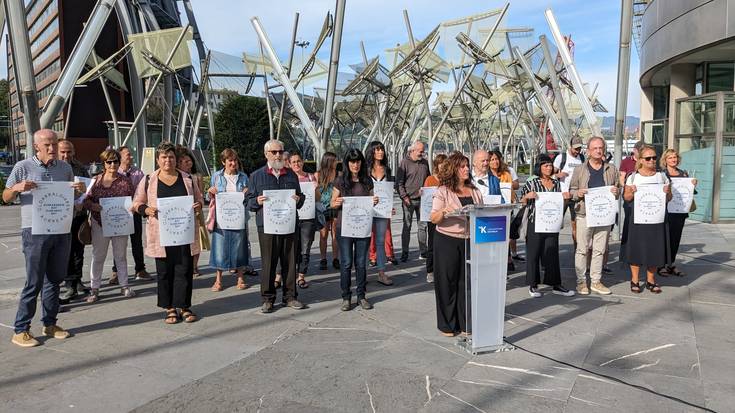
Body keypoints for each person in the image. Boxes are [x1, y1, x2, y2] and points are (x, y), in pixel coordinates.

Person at [3, 129, 86, 347]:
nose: (52, 149)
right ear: (37, 146)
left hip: (60, 229)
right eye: (47, 145)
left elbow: (73, 196)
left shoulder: (65, 168)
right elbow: (5, 195)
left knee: (55, 280)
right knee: (34, 282)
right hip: (34, 231)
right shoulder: (23, 167)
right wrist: (17, 188)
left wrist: (80, 190)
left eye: (54, 144)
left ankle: (50, 323)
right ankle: (20, 329)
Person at [133, 142, 203, 324]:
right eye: (163, 157)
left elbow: (199, 199)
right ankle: (169, 307)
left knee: (185, 269)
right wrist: (146, 210)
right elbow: (136, 202)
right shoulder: (149, 179)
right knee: (164, 271)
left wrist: (198, 206)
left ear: (175, 159)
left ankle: (184, 306)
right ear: (158, 160)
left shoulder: (187, 178)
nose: (167, 160)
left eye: (171, 157)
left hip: (184, 233)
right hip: (161, 235)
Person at [246, 139, 306, 313]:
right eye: (274, 152)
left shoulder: (291, 175)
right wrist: (256, 201)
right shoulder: (256, 176)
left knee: (290, 261)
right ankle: (267, 299)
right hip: (267, 227)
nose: (278, 155)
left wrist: (298, 199)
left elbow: (301, 199)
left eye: (280, 151)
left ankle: (290, 297)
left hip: (289, 225)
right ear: (266, 154)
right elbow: (248, 202)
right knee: (268, 263)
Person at [430, 151, 483, 337]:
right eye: (462, 166)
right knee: (447, 282)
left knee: (466, 282)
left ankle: (465, 323)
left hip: (470, 241)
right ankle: (447, 324)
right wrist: (445, 210)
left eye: (467, 166)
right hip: (447, 240)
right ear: (454, 169)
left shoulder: (475, 191)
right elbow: (434, 218)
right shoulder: (443, 191)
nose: (467, 169)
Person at [569, 136, 620, 295]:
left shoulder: (611, 169)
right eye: (595, 148)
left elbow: (618, 189)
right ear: (589, 151)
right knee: (582, 249)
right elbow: (571, 191)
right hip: (584, 214)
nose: (598, 151)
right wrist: (578, 193)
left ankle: (596, 281)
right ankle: (581, 282)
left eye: (601, 148)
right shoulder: (580, 169)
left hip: (604, 215)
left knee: (599, 249)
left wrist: (616, 191)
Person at [83, 149, 136, 302]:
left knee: (120, 256)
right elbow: (85, 200)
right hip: (99, 223)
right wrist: (93, 206)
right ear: (104, 163)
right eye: (109, 161)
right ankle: (95, 288)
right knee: (98, 256)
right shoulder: (96, 180)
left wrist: (132, 206)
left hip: (120, 223)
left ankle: (124, 285)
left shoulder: (125, 180)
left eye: (115, 161)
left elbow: (133, 198)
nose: (112, 164)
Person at [519, 154, 574, 298]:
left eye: (550, 166)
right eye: (546, 166)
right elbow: (521, 201)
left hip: (551, 222)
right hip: (535, 222)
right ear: (540, 167)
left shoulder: (557, 184)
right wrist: (527, 197)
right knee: (533, 253)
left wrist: (566, 199)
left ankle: (555, 283)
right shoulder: (532, 183)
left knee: (552, 252)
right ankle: (533, 284)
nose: (549, 168)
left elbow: (560, 204)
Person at [331, 148, 379, 311]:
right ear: (347, 163)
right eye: (352, 161)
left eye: (358, 161)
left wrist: (375, 200)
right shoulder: (340, 181)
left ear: (361, 162)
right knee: (345, 263)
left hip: (362, 227)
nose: (355, 164)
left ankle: (361, 295)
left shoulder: (367, 181)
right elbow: (332, 202)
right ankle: (346, 296)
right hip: (344, 228)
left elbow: (373, 199)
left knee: (360, 263)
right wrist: (336, 203)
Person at [621, 145, 672, 293]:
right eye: (648, 158)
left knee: (655, 250)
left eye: (654, 157)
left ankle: (651, 280)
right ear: (641, 160)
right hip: (638, 219)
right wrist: (632, 192)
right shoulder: (633, 177)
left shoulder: (662, 176)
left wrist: (667, 193)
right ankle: (635, 280)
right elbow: (626, 197)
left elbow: (669, 198)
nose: (652, 160)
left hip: (657, 219)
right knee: (636, 249)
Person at [208, 148, 251, 292]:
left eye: (235, 160)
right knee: (219, 247)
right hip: (221, 218)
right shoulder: (216, 176)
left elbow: (249, 197)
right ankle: (218, 280)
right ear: (223, 162)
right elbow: (209, 197)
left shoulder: (244, 177)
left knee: (239, 246)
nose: (233, 163)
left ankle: (240, 278)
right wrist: (210, 192)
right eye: (230, 160)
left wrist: (247, 192)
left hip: (238, 217)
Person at [57, 139, 90, 303]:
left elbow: (88, 189)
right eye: (62, 151)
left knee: (79, 250)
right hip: (60, 217)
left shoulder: (81, 168)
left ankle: (77, 281)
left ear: (74, 152)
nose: (65, 155)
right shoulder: (54, 168)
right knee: (67, 252)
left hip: (79, 215)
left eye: (69, 151)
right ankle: (69, 283)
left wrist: (83, 203)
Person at [113, 146, 150, 283]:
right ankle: (116, 272)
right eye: (128, 154)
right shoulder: (114, 171)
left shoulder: (138, 173)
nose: (131, 157)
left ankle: (140, 269)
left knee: (136, 242)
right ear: (120, 156)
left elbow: (143, 191)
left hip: (134, 212)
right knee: (118, 243)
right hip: (119, 212)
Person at [659, 148, 697, 277]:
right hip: (666, 211)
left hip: (680, 211)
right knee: (665, 238)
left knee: (676, 238)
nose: (673, 160)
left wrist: (692, 185)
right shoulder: (662, 174)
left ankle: (671, 264)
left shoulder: (683, 173)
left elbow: (689, 192)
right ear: (665, 160)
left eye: (675, 157)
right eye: (670, 158)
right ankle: (661, 265)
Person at [177, 146, 209, 278]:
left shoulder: (196, 176)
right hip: (181, 213)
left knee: (197, 240)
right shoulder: (176, 177)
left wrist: (199, 203)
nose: (188, 163)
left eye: (189, 161)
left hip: (196, 211)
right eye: (185, 161)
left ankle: (194, 266)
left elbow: (200, 195)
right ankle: (185, 266)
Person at [365, 141, 395, 286]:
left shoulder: (387, 170)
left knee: (381, 241)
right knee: (363, 241)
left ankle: (381, 273)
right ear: (372, 152)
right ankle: (362, 273)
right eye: (377, 150)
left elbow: (389, 191)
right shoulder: (365, 170)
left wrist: (390, 206)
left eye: (381, 149)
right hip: (367, 209)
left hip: (382, 211)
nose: (380, 152)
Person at [396, 141, 430, 261]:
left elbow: (428, 179)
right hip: (408, 200)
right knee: (407, 226)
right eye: (420, 151)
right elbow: (399, 183)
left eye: (423, 151)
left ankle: (423, 251)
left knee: (423, 226)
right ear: (413, 150)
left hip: (422, 200)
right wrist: (404, 197)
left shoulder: (425, 163)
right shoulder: (404, 163)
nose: (422, 153)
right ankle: (405, 252)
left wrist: (427, 191)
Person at [289, 152, 317, 288]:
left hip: (308, 218)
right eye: (293, 162)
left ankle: (301, 275)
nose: (296, 164)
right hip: (291, 217)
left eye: (298, 161)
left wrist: (316, 189)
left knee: (305, 247)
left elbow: (317, 198)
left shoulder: (311, 177)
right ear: (289, 164)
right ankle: (289, 274)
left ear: (302, 162)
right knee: (292, 247)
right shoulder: (287, 178)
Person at [489, 150, 518, 270]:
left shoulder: (507, 173)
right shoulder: (487, 175)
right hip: (492, 209)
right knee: (494, 236)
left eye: (496, 159)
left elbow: (515, 186)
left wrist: (507, 187)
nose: (495, 161)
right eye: (492, 160)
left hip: (506, 207)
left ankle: (507, 259)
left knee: (505, 235)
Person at [553, 136, 585, 247]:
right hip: (562, 195)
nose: (578, 151)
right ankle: (552, 247)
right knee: (556, 222)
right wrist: (558, 175)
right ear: (570, 147)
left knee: (576, 224)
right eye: (576, 149)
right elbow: (549, 175)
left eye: (579, 148)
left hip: (575, 196)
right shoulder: (561, 158)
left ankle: (577, 249)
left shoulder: (582, 158)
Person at [424, 153, 447, 284]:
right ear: (436, 166)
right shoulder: (430, 179)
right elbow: (425, 195)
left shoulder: (448, 180)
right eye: (440, 164)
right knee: (432, 243)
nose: (443, 166)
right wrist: (422, 193)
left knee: (443, 244)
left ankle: (441, 269)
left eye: (445, 164)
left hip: (445, 216)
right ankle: (430, 270)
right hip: (432, 215)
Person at [315, 151, 340, 270]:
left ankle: (335, 259)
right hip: (322, 207)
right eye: (334, 160)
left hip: (335, 207)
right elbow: (315, 192)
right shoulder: (318, 175)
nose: (336, 162)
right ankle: (323, 259)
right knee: (323, 234)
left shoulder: (338, 174)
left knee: (335, 234)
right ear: (329, 161)